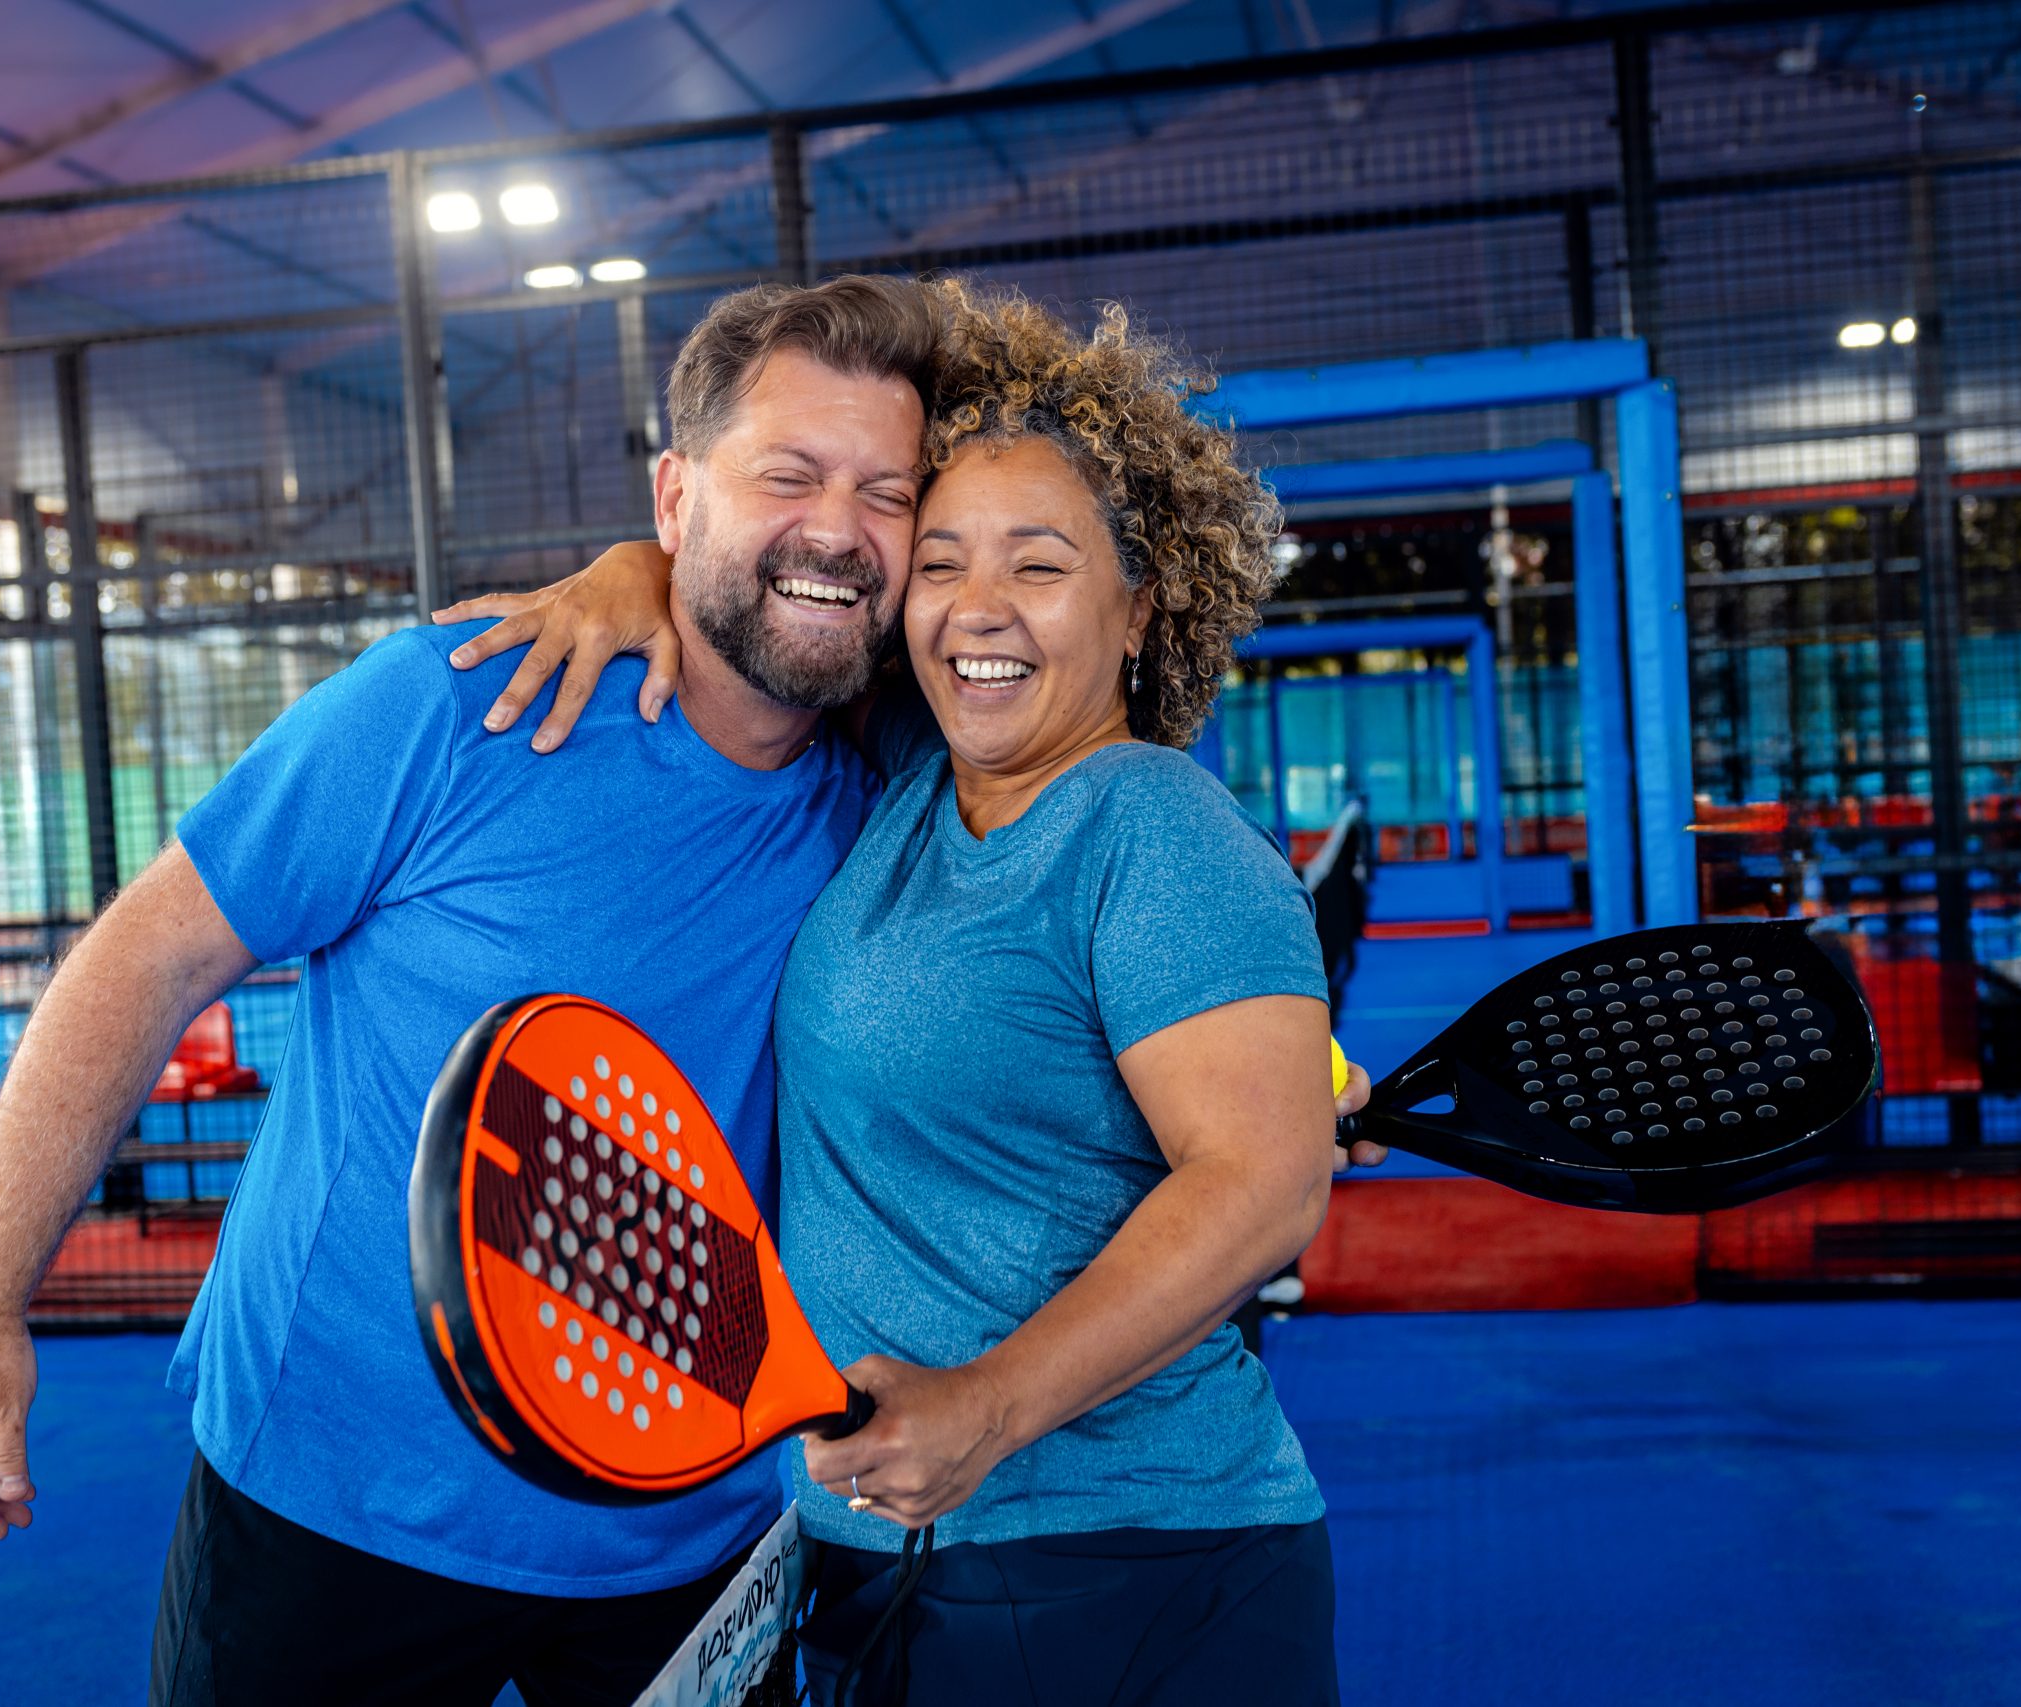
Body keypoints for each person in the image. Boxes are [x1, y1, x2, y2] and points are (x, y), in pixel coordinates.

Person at [0, 274, 944, 1706]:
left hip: (692, 1534)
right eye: (788, 473)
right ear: (674, 497)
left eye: (886, 493)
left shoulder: (899, 792)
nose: (837, 526)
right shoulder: (450, 704)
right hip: (333, 1509)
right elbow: (140, 963)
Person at [440, 281, 1376, 1704]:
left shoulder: (1157, 829)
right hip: (896, 1555)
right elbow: (755, 603)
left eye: (1039, 566)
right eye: (939, 562)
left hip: (1139, 1563)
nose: (976, 611)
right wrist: (642, 562)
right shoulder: (912, 776)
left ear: (1140, 609)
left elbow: (1264, 1187)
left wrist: (986, 1408)